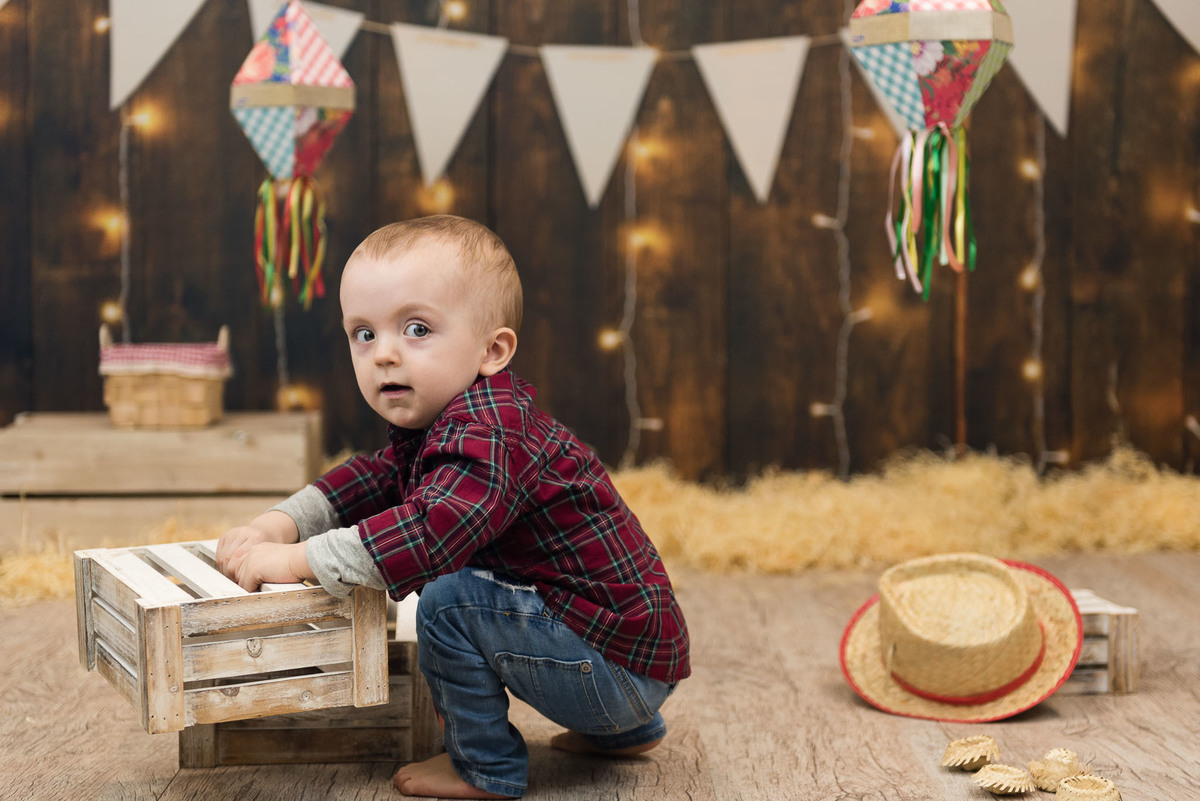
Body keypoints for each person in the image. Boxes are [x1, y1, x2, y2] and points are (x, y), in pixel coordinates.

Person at [216, 215, 690, 799]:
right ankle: (624, 732)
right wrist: (281, 521)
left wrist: (298, 559)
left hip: (615, 671)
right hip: (635, 658)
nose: (384, 355)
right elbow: (374, 478)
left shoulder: (488, 435)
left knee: (447, 601)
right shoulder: (453, 421)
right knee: (472, 584)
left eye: (416, 329)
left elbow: (427, 535)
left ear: (493, 350)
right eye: (363, 334)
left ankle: (485, 766)